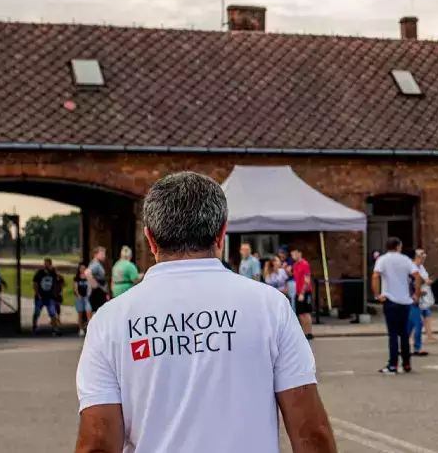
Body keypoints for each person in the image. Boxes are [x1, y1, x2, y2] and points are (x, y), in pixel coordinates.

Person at [75, 171, 336, 453]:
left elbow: (98, 443)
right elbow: (310, 432)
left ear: (150, 240)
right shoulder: (269, 307)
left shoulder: (110, 320)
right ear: (222, 234)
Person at [371, 237, 423, 375]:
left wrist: (377, 294)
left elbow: (375, 276)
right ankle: (406, 364)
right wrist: (416, 294)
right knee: (404, 334)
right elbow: (417, 276)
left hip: (390, 299)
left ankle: (392, 365)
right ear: (398, 246)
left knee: (393, 334)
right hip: (405, 300)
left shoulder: (382, 259)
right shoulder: (405, 259)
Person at [408, 249, 435, 356]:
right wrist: (417, 293)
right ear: (416, 257)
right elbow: (412, 283)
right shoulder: (412, 268)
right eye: (421, 258)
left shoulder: (419, 267)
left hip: (418, 298)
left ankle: (404, 345)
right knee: (418, 323)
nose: (422, 260)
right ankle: (417, 348)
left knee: (410, 325)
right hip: (413, 299)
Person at [32, 258, 64, 335]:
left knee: (52, 313)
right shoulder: (39, 273)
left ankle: (55, 329)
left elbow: (61, 280)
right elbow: (35, 284)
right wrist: (37, 293)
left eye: (48, 264)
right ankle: (34, 327)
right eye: (45, 263)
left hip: (50, 297)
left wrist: (56, 272)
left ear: (50, 264)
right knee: (37, 312)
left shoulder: (53, 273)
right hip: (40, 297)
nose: (46, 265)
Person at [289, 249, 315, 340]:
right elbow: (295, 276)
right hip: (298, 291)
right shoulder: (295, 265)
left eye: (294, 254)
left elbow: (307, 280)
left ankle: (309, 332)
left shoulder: (305, 264)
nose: (293, 256)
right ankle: (304, 333)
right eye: (292, 254)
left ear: (299, 253)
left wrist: (302, 293)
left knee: (306, 312)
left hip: (305, 292)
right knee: (300, 313)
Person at [87, 247, 110, 313]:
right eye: (102, 254)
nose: (104, 256)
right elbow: (87, 272)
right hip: (97, 294)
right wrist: (95, 286)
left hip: (99, 293)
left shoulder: (98, 264)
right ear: (96, 254)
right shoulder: (95, 264)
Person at [73, 262, 92, 336]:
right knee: (80, 314)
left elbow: (90, 286)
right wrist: (78, 295)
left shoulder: (88, 277)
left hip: (87, 297)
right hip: (79, 298)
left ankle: (90, 329)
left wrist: (89, 294)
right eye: (81, 268)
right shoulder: (77, 278)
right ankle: (81, 329)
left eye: (84, 268)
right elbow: (75, 288)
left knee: (88, 313)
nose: (82, 269)